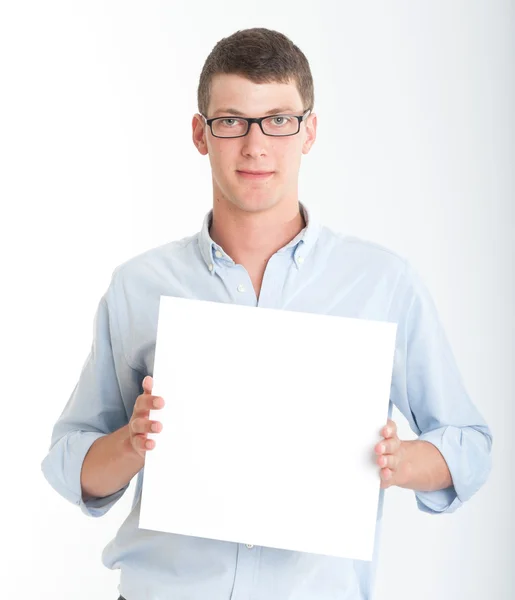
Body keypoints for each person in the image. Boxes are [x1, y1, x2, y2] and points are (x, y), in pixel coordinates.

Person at [41, 27, 492, 600]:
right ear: (201, 134)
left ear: (310, 132)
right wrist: (131, 445)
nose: (256, 145)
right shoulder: (139, 287)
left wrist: (401, 462)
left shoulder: (383, 283)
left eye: (279, 119)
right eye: (232, 120)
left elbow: (469, 445)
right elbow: (70, 463)